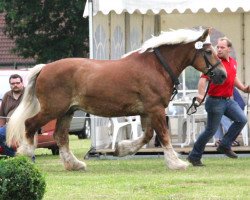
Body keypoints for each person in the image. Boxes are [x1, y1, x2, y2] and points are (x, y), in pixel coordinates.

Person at [187, 37, 250, 166]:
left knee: (242, 119)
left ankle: (224, 145)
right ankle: (194, 156)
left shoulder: (233, 62)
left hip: (228, 100)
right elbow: (202, 79)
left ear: (229, 49)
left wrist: (243, 88)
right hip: (215, 101)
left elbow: (233, 77)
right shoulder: (214, 63)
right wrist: (200, 93)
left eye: (222, 47)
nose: (219, 49)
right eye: (218, 47)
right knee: (210, 131)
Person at [0, 74, 25, 156]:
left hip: (26, 124)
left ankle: (29, 160)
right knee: (1, 134)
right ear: (10, 85)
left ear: (22, 83)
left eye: (17, 83)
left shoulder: (29, 94)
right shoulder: (7, 95)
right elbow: (2, 114)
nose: (15, 85)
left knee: (26, 141)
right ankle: (14, 156)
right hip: (10, 125)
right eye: (13, 84)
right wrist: (1, 127)